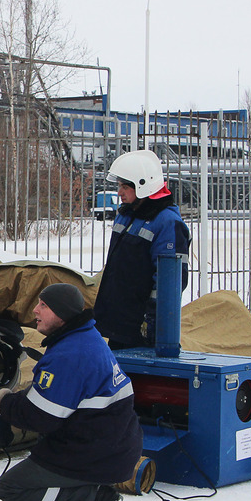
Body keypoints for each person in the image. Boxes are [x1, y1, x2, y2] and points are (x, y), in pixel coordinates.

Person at [0, 283, 142, 501]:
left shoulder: (68, 355)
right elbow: (51, 398)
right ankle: (92, 489)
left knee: (11, 488)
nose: (35, 311)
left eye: (44, 305)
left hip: (94, 454)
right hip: (114, 445)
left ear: (62, 314)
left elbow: (40, 416)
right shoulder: (86, 337)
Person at [93, 149, 191, 350]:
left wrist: (152, 324)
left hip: (143, 332)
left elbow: (170, 283)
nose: (119, 192)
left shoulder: (168, 224)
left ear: (144, 187)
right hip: (120, 326)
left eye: (125, 187)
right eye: (119, 186)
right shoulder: (127, 215)